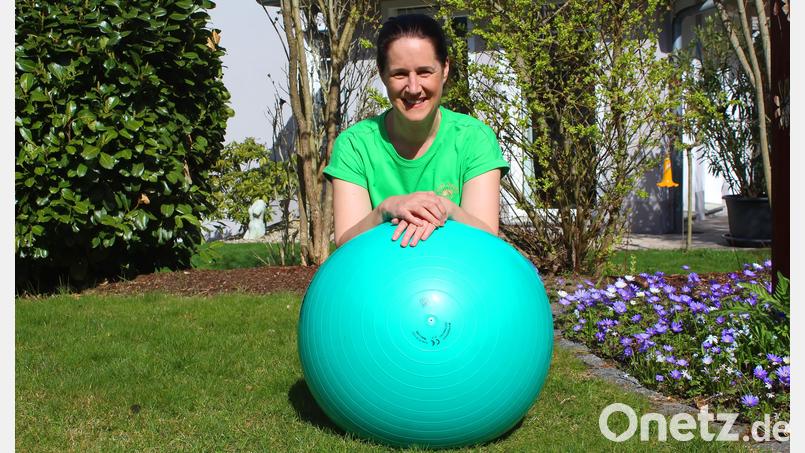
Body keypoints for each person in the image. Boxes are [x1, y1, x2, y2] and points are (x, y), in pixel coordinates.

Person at [324, 14, 509, 248]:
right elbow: (347, 246)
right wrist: (385, 210)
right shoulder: (354, 146)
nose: (413, 88)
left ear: (444, 69)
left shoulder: (474, 139)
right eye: (400, 74)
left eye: (424, 72)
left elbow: (486, 242)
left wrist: (445, 208)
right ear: (382, 74)